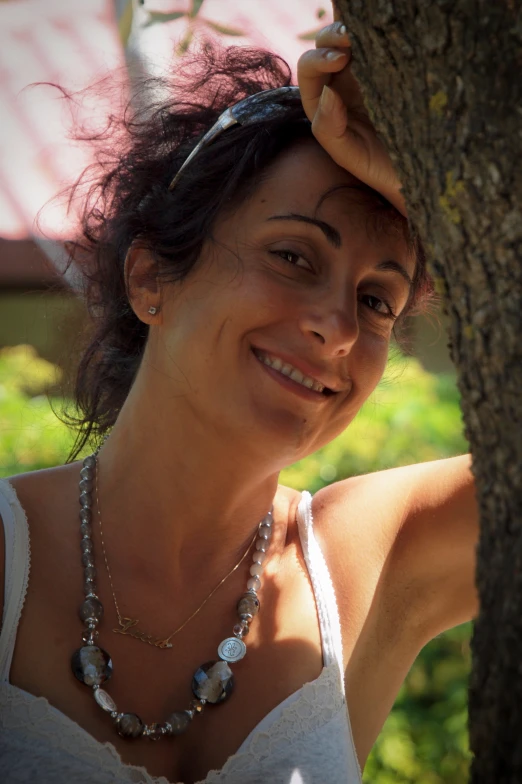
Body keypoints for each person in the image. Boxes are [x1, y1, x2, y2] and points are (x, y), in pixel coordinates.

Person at [0, 19, 478, 784]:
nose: (337, 326)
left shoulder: (376, 560)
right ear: (151, 278)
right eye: (293, 256)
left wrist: (452, 191)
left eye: (378, 299)